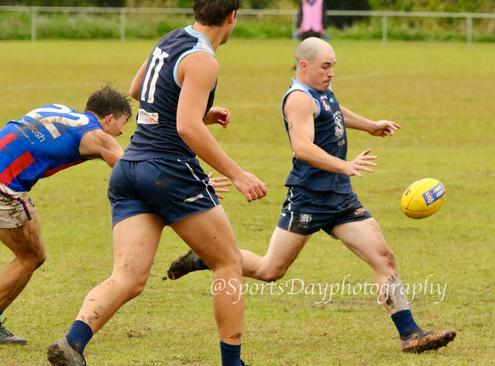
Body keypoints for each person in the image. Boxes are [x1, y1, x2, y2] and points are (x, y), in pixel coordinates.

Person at [167, 37, 457, 354]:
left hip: (340, 198)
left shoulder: (321, 93)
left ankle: (410, 333)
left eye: (333, 66)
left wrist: (370, 125)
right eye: (325, 66)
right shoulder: (298, 99)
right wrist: (344, 165)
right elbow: (302, 148)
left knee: (383, 257)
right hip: (308, 198)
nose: (331, 73)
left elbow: (333, 111)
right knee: (270, 270)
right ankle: (206, 258)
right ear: (304, 65)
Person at [46, 1, 267, 365]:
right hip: (168, 170)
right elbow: (186, 127)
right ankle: (233, 362)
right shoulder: (204, 59)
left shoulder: (170, 39)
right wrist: (237, 174)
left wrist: (197, 111)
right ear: (232, 18)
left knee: (128, 277)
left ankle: (73, 342)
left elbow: (138, 90)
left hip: (130, 168)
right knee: (228, 262)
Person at [0, 85, 131, 346]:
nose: (122, 132)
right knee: (31, 256)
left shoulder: (56, 108)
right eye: (123, 124)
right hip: (4, 188)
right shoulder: (97, 136)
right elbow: (132, 170)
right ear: (109, 118)